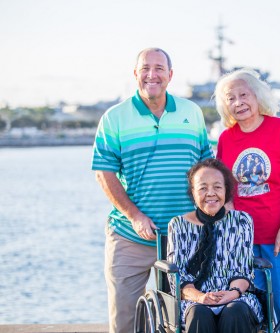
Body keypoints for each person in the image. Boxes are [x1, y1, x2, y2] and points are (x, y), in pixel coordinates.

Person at [91, 47, 214, 333]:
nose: (152, 74)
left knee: (184, 318)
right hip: (130, 236)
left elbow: (207, 166)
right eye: (145, 68)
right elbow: (103, 172)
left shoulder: (191, 113)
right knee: (125, 321)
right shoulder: (114, 118)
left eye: (159, 68)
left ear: (170, 75)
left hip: (185, 238)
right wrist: (134, 215)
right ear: (136, 74)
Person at [214, 68, 280, 333]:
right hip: (246, 240)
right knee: (253, 306)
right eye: (230, 98)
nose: (238, 103)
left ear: (257, 96)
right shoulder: (226, 138)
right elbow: (226, 190)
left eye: (244, 95)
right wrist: (234, 230)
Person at [166, 158, 263, 332]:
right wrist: (200, 297)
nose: (210, 193)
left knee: (235, 311)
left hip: (237, 295)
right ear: (193, 192)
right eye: (203, 188)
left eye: (217, 187)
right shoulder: (178, 225)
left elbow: (243, 270)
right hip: (193, 299)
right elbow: (177, 277)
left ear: (226, 190)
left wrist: (232, 294)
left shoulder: (241, 221)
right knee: (198, 313)